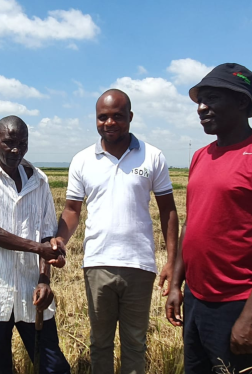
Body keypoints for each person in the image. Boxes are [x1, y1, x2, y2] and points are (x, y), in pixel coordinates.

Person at [165, 63, 252, 373]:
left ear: (243, 102)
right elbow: (191, 224)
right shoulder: (202, 155)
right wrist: (176, 284)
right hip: (197, 298)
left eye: (211, 98)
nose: (201, 107)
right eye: (199, 100)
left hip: (238, 302)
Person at [51, 89, 179, 374]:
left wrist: (172, 260)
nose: (110, 123)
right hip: (97, 264)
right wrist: (61, 238)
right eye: (103, 117)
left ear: (130, 117)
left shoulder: (152, 156)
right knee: (100, 343)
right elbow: (72, 209)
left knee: (135, 342)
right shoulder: (82, 160)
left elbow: (168, 211)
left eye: (117, 116)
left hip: (139, 265)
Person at [0, 115, 70, 374]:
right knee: (0, 366)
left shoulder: (39, 180)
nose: (16, 149)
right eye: (9, 142)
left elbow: (47, 237)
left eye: (22, 142)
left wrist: (44, 280)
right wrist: (38, 248)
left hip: (33, 291)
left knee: (53, 366)